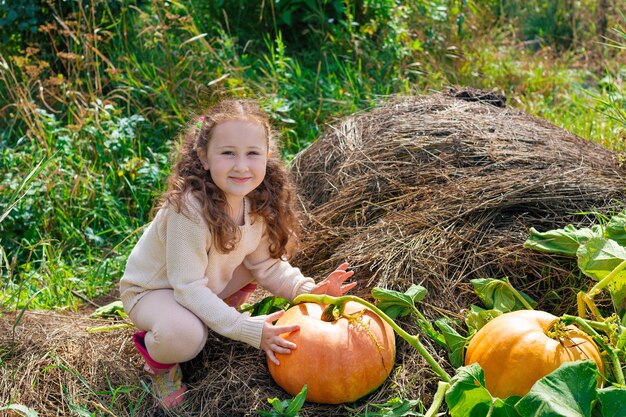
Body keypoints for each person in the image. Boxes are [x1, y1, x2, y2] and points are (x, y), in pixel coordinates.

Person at [119, 99, 356, 409]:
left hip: (199, 286)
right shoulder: (189, 209)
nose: (242, 166)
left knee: (251, 265)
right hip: (155, 290)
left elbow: (268, 267)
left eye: (253, 153)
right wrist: (247, 329)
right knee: (186, 337)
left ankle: (212, 318)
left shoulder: (255, 202)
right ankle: (160, 363)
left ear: (268, 156)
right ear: (204, 157)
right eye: (228, 153)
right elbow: (187, 287)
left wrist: (310, 290)